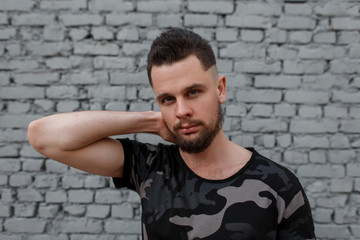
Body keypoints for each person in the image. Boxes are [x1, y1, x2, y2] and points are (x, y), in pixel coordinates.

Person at [28, 28, 316, 240]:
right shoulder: (150, 167)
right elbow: (43, 136)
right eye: (167, 99)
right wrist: (152, 122)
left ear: (220, 89)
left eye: (193, 92)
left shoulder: (280, 185)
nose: (181, 111)